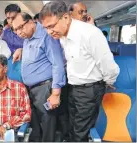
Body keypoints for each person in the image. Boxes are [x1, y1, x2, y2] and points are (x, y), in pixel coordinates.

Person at [40, 1, 120, 141]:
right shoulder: (63, 34)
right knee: (71, 126)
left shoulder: (90, 34)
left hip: (90, 89)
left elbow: (108, 66)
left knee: (80, 132)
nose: (49, 31)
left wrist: (107, 83)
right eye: (45, 28)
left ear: (65, 17)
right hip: (73, 87)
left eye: (51, 26)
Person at [12, 12, 66, 142]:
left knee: (48, 125)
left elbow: (57, 64)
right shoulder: (27, 39)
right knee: (34, 124)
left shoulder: (47, 36)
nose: (19, 32)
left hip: (45, 88)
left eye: (21, 27)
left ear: (31, 22)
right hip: (31, 89)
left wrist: (55, 93)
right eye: (15, 30)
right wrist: (21, 50)